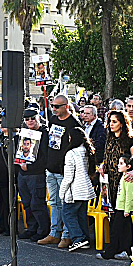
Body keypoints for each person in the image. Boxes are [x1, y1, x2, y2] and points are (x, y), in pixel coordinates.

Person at [40, 94, 82, 248]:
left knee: (66, 203)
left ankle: (66, 234)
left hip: (65, 170)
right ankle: (54, 233)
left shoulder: (74, 123)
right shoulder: (53, 119)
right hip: (51, 167)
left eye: (57, 106)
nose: (54, 109)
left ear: (66, 106)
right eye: (52, 106)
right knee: (54, 202)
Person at [100, 110, 133, 260]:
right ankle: (120, 247)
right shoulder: (109, 138)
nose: (111, 124)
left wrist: (132, 172)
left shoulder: (130, 140)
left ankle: (121, 248)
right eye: (110, 121)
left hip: (124, 181)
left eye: (114, 121)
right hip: (109, 180)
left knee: (123, 216)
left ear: (122, 124)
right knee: (114, 215)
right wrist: (103, 165)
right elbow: (107, 156)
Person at [59, 127, 96, 252]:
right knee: (81, 215)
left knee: (67, 214)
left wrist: (62, 192)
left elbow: (68, 176)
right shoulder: (86, 151)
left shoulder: (71, 153)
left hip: (74, 190)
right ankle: (85, 239)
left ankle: (78, 238)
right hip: (86, 189)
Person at [17, 108, 51, 242]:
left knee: (37, 203)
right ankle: (32, 228)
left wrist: (30, 166)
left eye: (33, 118)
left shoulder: (45, 133)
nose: (30, 121)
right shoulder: (25, 132)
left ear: (38, 118)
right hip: (23, 172)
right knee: (26, 203)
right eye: (27, 119)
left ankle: (43, 230)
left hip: (36, 173)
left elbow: (44, 157)